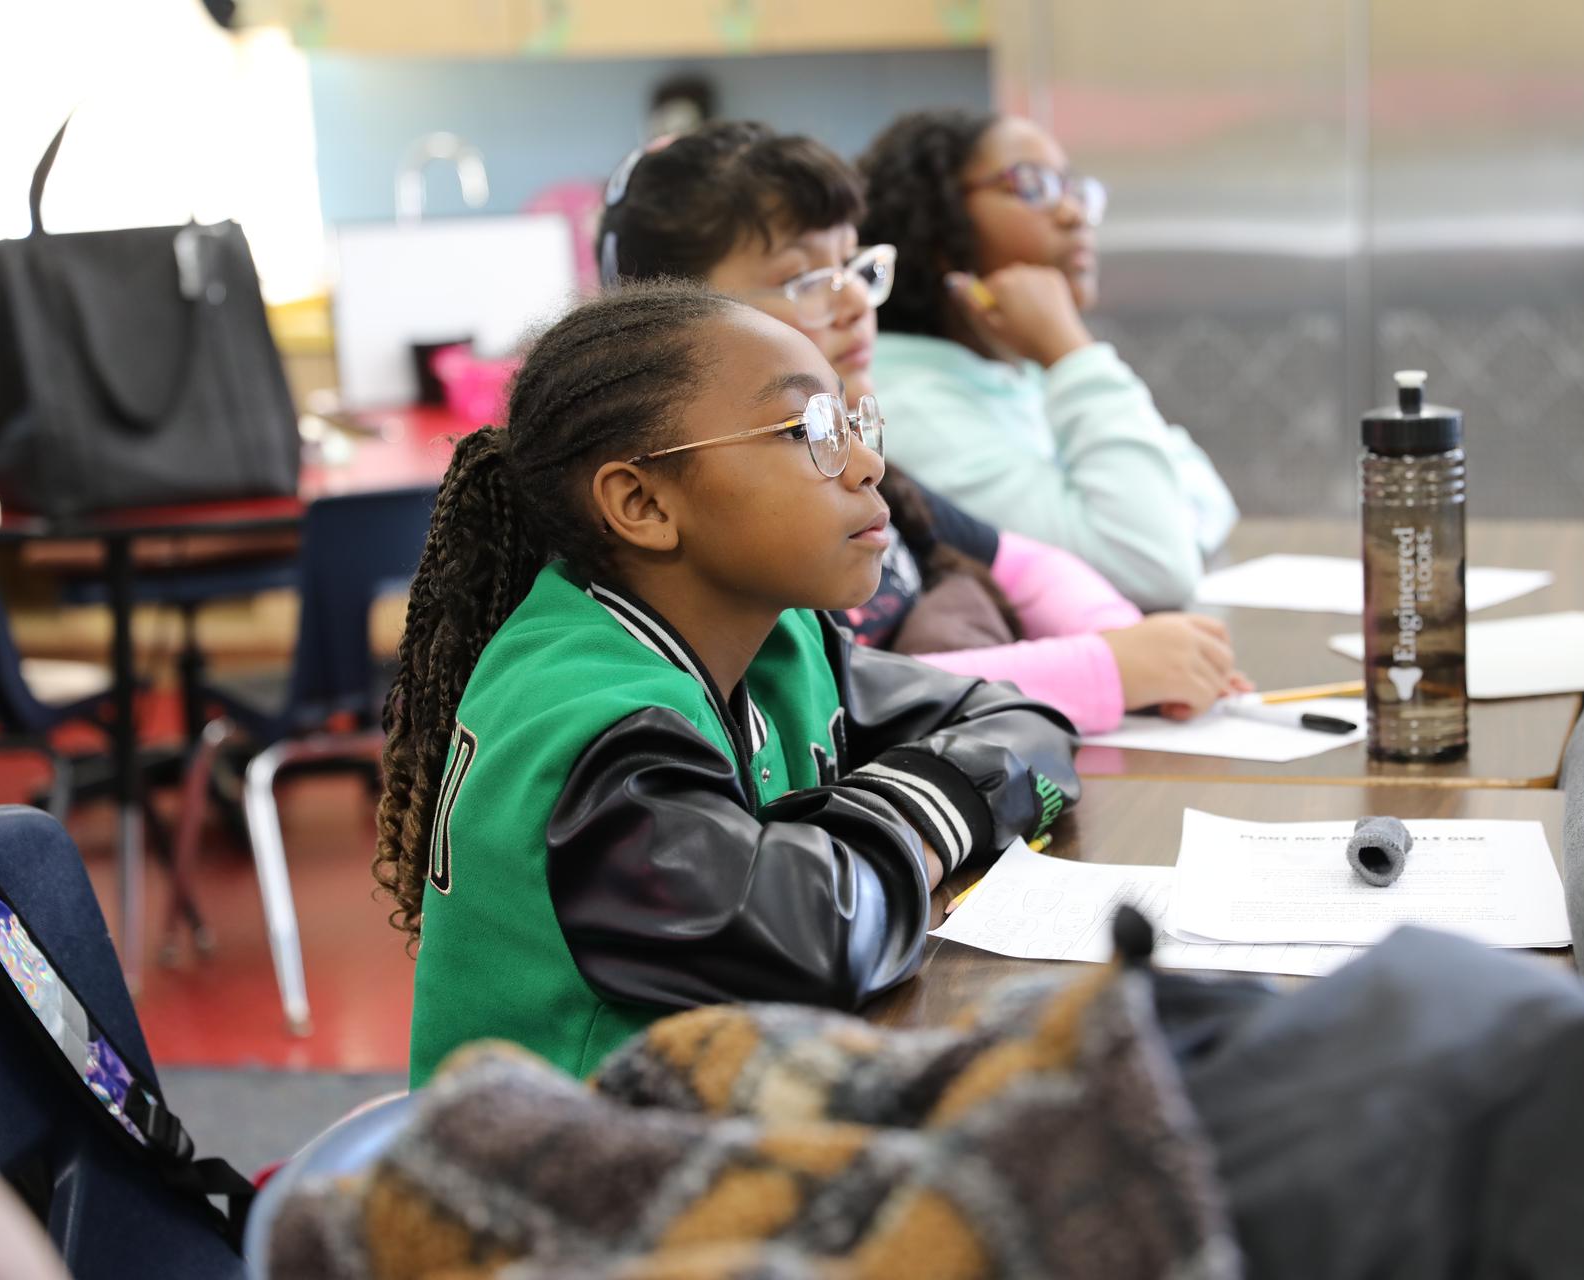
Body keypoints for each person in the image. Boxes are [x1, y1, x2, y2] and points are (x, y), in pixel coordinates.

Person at [373, 278, 1081, 1087]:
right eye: (808, 428)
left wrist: (905, 821)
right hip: (559, 1185)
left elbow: (1026, 727)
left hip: (711, 1128)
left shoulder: (778, 639)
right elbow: (818, 940)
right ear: (641, 502)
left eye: (851, 422)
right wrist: (930, 806)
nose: (868, 462)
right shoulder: (585, 718)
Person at [595, 121, 1248, 731]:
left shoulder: (861, 464)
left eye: (855, 265)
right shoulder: (721, 504)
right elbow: (827, 698)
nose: (853, 301)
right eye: (802, 278)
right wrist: (1108, 668)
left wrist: (1126, 642)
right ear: (666, 322)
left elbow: (1026, 563)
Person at [858, 110, 1239, 611]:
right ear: (937, 228)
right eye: (1032, 185)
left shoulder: (1016, 369)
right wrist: (1070, 351)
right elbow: (1154, 568)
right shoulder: (909, 405)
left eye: (1073, 189)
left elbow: (1210, 497)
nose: (1073, 214)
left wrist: (1062, 357)